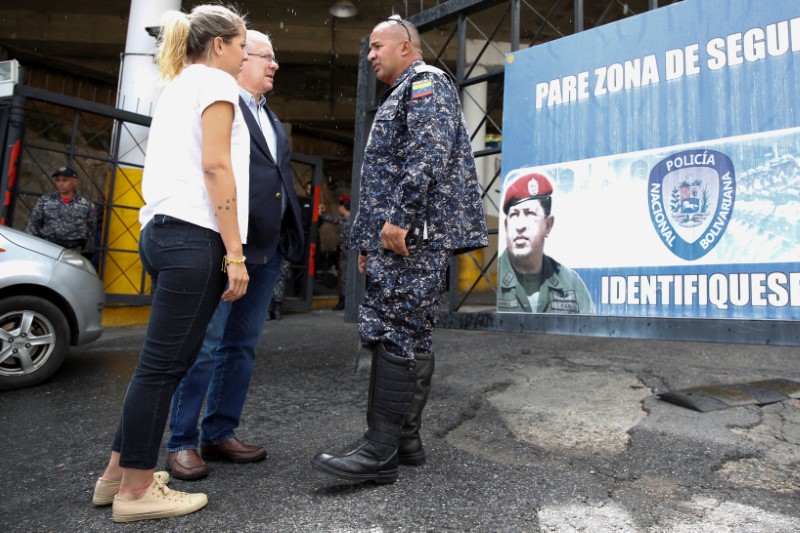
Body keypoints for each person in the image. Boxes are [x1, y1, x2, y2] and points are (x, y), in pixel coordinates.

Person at [311, 15, 488, 484]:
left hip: (413, 234)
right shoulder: (405, 90)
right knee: (412, 332)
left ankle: (379, 451)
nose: (370, 55)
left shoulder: (426, 82)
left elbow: (427, 154)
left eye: (376, 46)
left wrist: (400, 221)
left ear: (406, 47)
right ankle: (405, 440)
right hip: (403, 236)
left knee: (393, 330)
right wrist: (371, 239)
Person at [92, 5, 250, 523]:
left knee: (157, 366)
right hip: (193, 236)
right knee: (163, 368)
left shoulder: (178, 84)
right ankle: (136, 492)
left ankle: (117, 475)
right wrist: (235, 253)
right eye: (243, 44)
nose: (246, 53)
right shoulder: (217, 84)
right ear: (221, 45)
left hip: (158, 233)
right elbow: (215, 165)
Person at [165, 29, 304, 481]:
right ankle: (181, 442)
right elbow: (215, 169)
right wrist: (231, 250)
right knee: (204, 345)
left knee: (240, 346)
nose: (273, 65)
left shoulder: (273, 119)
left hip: (266, 249)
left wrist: (288, 234)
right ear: (241, 60)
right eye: (264, 56)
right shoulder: (221, 103)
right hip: (227, 245)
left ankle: (219, 433)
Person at [497, 172, 594, 314]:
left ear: (548, 225)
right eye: (514, 215)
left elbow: (588, 330)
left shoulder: (570, 282)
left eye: (530, 213)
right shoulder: (491, 279)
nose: (520, 226)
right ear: (506, 226)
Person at [25, 165, 96, 259]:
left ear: (75, 181)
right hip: (47, 250)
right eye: (58, 180)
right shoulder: (45, 200)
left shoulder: (86, 204)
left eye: (64, 180)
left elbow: (91, 229)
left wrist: (87, 252)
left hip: (73, 252)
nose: (60, 184)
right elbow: (33, 225)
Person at [319, 194, 351, 310]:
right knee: (343, 277)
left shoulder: (355, 219)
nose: (338, 207)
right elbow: (328, 218)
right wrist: (321, 212)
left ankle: (349, 302)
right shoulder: (341, 219)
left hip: (354, 254)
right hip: (344, 252)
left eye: (340, 205)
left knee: (351, 278)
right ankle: (342, 300)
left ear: (344, 206)